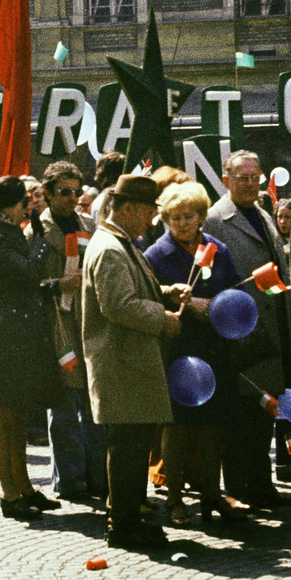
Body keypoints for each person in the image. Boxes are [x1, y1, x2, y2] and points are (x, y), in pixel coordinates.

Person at [81, 175, 191, 548]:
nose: (151, 221)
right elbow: (117, 305)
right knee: (127, 450)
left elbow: (127, 292)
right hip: (122, 364)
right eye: (147, 213)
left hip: (128, 363)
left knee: (131, 447)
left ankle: (126, 517)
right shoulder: (111, 248)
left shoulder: (118, 242)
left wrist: (163, 291)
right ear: (127, 209)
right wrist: (163, 317)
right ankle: (123, 525)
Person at [144, 180, 246, 527]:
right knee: (178, 425)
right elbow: (147, 294)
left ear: (202, 216)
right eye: (175, 218)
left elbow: (235, 290)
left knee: (212, 425)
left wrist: (213, 306)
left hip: (215, 346)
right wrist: (173, 298)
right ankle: (174, 498)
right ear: (165, 219)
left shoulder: (217, 248)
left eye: (189, 216)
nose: (183, 223)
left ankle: (211, 494)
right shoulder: (156, 254)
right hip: (179, 348)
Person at [203, 150, 291, 509]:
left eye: (254, 177)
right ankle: (239, 486)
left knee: (264, 413)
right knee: (242, 412)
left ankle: (261, 483)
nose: (250, 184)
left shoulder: (262, 213)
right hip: (241, 328)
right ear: (226, 180)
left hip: (270, 326)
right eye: (242, 178)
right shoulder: (214, 219)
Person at [0, 175, 64, 520]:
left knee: (20, 410)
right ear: (10, 206)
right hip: (8, 327)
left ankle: (24, 486)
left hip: (21, 325)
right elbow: (29, 272)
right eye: (24, 202)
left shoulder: (8, 231)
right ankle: (9, 492)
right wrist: (40, 235)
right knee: (4, 412)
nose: (28, 207)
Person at [31, 162, 105, 500]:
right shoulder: (34, 230)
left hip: (89, 321)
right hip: (54, 325)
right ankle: (69, 479)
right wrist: (60, 283)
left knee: (94, 404)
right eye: (64, 192)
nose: (72, 198)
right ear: (47, 193)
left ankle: (97, 476)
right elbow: (28, 283)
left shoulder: (90, 224)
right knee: (62, 406)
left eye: (77, 191)